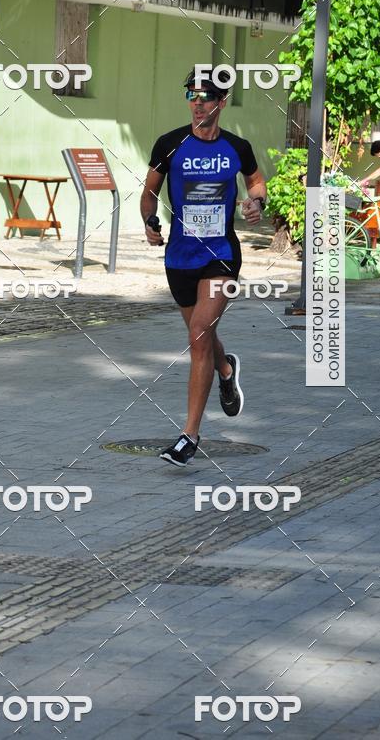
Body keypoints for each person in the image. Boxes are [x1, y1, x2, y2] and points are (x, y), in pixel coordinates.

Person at [140, 68, 267, 467]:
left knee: (198, 334)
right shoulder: (169, 144)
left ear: (221, 103)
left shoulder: (237, 146)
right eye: (191, 95)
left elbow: (257, 182)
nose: (198, 103)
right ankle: (226, 370)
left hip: (222, 256)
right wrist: (149, 222)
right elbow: (148, 193)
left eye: (206, 97)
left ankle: (189, 436)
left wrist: (256, 203)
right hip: (179, 256)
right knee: (202, 337)